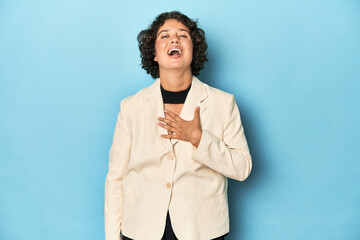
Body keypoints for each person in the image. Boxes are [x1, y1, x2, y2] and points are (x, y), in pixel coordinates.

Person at [105, 11, 252, 240]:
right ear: (153, 53)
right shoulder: (131, 107)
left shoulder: (223, 103)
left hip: (202, 230)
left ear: (193, 51)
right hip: (141, 229)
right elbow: (116, 178)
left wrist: (199, 139)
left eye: (183, 35)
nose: (174, 39)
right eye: (164, 36)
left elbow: (243, 168)